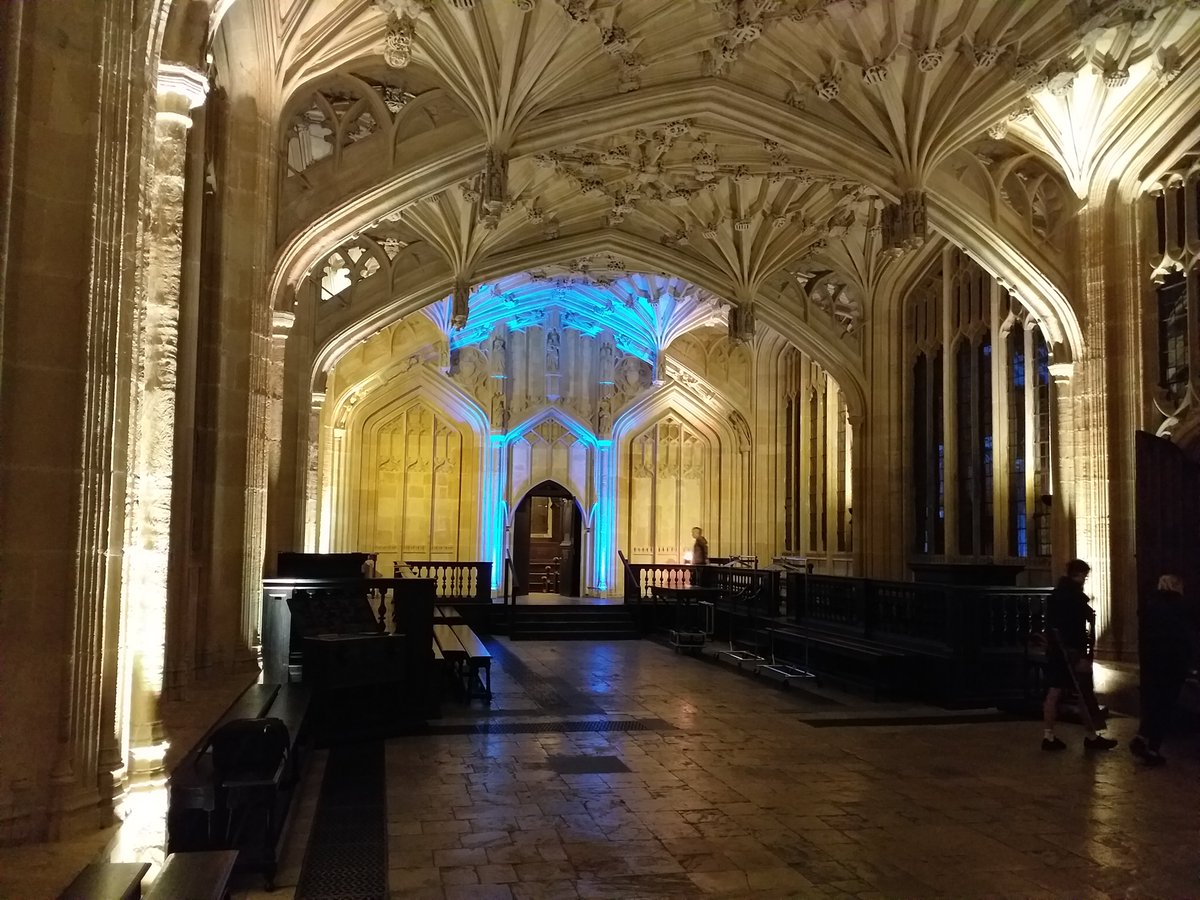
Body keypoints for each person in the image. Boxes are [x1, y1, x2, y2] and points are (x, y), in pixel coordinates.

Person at [1042, 559, 1118, 752]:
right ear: (1079, 574)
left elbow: (1051, 626)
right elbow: (1077, 630)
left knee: (1054, 692)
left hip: (1056, 651)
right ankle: (1092, 736)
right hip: (1072, 653)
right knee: (1083, 694)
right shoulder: (1075, 598)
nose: (1085, 579)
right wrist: (1083, 655)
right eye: (1084, 575)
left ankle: (1048, 736)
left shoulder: (1055, 596)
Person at [1130, 574, 1199, 766]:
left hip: (1152, 660)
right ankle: (1153, 748)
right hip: (1174, 661)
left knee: (1152, 702)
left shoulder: (1150, 605)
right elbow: (1187, 636)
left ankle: (1142, 736)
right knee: (1165, 705)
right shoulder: (1182, 607)